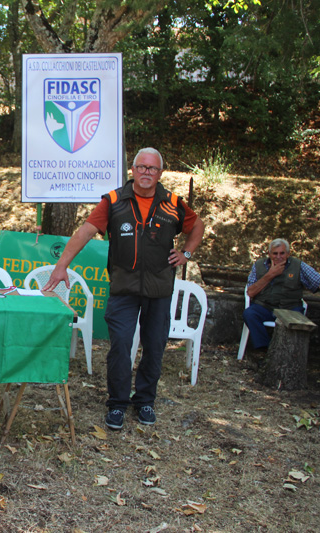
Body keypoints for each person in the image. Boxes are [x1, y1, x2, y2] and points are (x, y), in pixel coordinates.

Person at [43, 147, 205, 430]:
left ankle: (145, 401)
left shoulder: (173, 202)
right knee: (120, 347)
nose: (146, 173)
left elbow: (198, 226)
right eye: (141, 167)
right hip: (123, 288)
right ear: (132, 170)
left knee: (154, 347)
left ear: (160, 173)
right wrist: (61, 266)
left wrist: (186, 253)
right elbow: (85, 232)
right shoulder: (114, 201)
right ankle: (117, 404)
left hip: (159, 289)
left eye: (152, 169)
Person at [242, 238, 320, 351]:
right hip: (265, 306)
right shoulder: (259, 265)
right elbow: (250, 292)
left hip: (290, 308)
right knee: (249, 314)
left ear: (288, 254)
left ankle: (288, 353)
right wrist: (270, 275)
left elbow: (319, 281)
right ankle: (264, 350)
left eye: (282, 253)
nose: (278, 257)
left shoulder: (298, 265)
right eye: (275, 253)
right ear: (269, 254)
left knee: (295, 320)